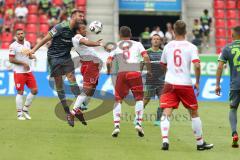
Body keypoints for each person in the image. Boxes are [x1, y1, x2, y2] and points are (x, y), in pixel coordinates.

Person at [25, 9, 86, 127]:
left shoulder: (77, 31)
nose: (82, 17)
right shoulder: (60, 27)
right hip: (54, 57)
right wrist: (33, 50)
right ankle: (67, 112)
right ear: (73, 16)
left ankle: (78, 108)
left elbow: (82, 44)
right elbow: (45, 39)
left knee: (72, 78)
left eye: (83, 16)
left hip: (67, 57)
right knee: (59, 84)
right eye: (80, 15)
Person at [159, 20, 213, 151]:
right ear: (186, 32)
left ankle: (165, 140)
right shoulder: (191, 47)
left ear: (173, 31)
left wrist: (167, 76)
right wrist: (198, 81)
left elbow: (162, 64)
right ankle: (200, 143)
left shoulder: (168, 46)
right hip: (185, 84)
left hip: (170, 83)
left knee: (167, 111)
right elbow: (197, 65)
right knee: (193, 112)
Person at [107, 26, 152, 138]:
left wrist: (108, 71)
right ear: (130, 34)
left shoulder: (116, 45)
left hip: (122, 73)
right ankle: (138, 123)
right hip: (135, 72)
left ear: (120, 35)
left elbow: (108, 62)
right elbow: (146, 57)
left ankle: (116, 126)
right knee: (139, 98)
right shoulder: (137, 44)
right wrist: (149, 70)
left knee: (118, 99)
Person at [215, 26, 240, 148]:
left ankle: (234, 133)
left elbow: (220, 67)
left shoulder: (227, 48)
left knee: (233, 109)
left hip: (235, 85)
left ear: (233, 35)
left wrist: (217, 85)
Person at [71, 22, 103, 114]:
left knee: (92, 87)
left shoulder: (79, 38)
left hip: (92, 64)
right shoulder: (77, 37)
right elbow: (86, 42)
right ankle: (73, 111)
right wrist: (97, 43)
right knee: (87, 88)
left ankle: (83, 106)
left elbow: (86, 43)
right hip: (90, 64)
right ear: (77, 31)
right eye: (83, 29)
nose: (86, 30)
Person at [9, 29, 38, 120]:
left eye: (22, 33)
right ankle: (19, 114)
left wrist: (31, 56)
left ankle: (25, 109)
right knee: (20, 92)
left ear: (24, 34)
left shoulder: (27, 43)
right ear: (16, 36)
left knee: (35, 90)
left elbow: (28, 55)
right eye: (19, 34)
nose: (21, 35)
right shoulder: (13, 46)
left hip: (28, 71)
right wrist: (24, 64)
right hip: (19, 72)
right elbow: (11, 60)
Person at [141, 34, 165, 126]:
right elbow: (141, 64)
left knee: (162, 101)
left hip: (161, 81)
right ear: (151, 41)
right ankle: (138, 118)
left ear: (160, 41)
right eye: (154, 39)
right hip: (150, 80)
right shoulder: (146, 52)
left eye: (157, 39)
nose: (155, 40)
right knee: (146, 100)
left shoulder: (163, 53)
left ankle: (158, 120)